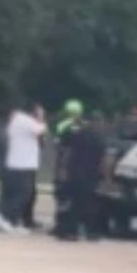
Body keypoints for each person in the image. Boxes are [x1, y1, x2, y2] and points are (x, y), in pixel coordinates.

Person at [55, 111, 108, 241]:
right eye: (100, 122)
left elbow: (67, 152)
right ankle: (91, 233)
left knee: (72, 204)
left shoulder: (77, 134)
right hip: (90, 175)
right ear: (97, 122)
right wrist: (105, 177)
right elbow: (104, 160)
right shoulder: (99, 139)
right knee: (89, 205)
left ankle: (69, 231)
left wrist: (62, 170)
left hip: (74, 173)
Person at [0, 101, 46, 234]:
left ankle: (8, 218)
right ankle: (10, 220)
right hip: (22, 164)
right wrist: (41, 118)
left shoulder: (20, 121)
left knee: (22, 193)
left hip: (23, 163)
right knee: (23, 193)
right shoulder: (23, 120)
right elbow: (41, 129)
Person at [51, 99, 85, 236]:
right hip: (81, 168)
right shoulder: (84, 126)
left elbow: (58, 145)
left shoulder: (62, 126)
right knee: (78, 199)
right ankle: (78, 225)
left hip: (64, 166)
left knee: (61, 197)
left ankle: (60, 225)